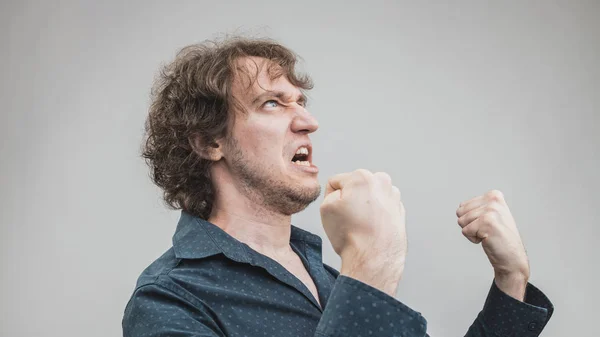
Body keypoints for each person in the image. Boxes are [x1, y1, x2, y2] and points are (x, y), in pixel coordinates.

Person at [122, 37, 553, 337]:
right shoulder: (170, 301)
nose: (308, 121)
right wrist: (370, 265)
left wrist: (511, 282)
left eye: (301, 102)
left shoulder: (331, 279)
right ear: (209, 141)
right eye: (271, 102)